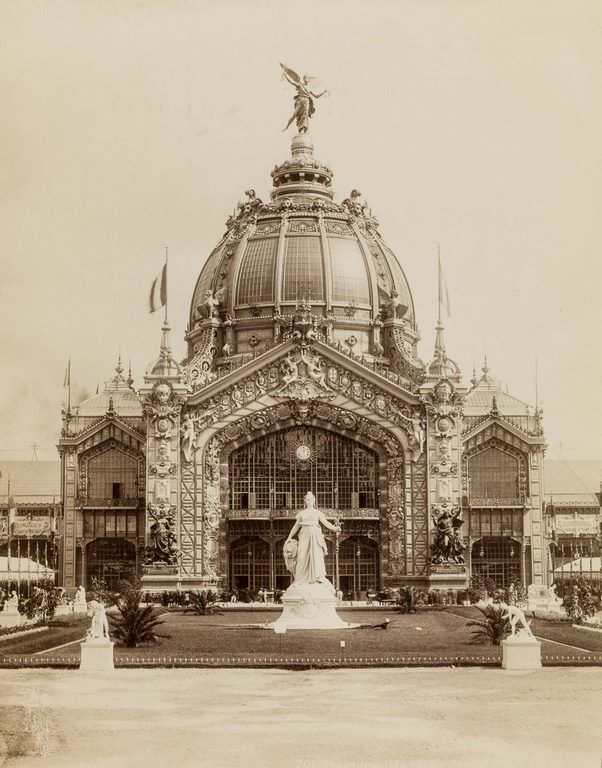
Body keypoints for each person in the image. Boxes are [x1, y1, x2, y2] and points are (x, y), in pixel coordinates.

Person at [285, 491, 341, 585]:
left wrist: (335, 528)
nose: (309, 501)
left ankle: (317, 577)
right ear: (305, 501)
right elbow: (296, 526)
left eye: (310, 499)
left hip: (315, 535)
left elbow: (326, 523)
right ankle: (300, 578)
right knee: (301, 556)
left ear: (314, 501)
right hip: (304, 535)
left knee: (316, 555)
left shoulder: (317, 513)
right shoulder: (302, 514)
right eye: (307, 500)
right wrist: (289, 537)